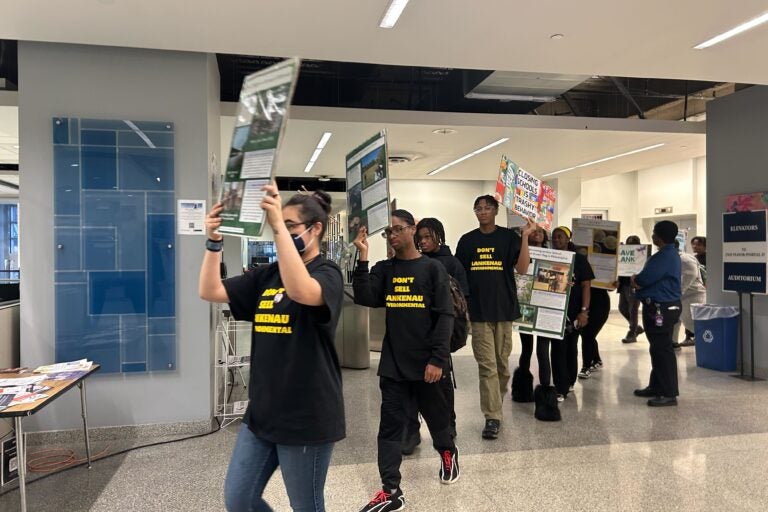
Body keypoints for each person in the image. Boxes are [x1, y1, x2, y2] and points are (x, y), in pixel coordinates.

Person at [199, 184, 345, 512]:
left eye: (292, 225)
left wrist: (277, 224)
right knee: (239, 499)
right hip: (263, 412)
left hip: (307, 415)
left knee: (305, 505)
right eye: (283, 225)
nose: (284, 230)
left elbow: (301, 291)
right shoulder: (266, 276)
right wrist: (214, 242)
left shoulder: (327, 273)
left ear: (316, 229)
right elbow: (209, 290)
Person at [353, 210, 459, 512]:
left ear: (413, 230)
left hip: (429, 366)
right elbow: (366, 297)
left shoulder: (432, 269)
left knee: (438, 420)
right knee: (389, 429)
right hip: (394, 366)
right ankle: (390, 490)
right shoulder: (385, 269)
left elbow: (445, 316)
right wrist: (362, 259)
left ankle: (448, 452)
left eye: (398, 229)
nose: (393, 235)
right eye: (388, 232)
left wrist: (438, 360)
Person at [455, 195, 535, 440]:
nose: (482, 212)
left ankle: (495, 407)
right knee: (487, 366)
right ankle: (492, 417)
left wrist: (525, 237)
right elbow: (460, 278)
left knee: (501, 366)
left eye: (487, 208)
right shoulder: (467, 241)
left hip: (504, 310)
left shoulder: (508, 238)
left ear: (496, 211)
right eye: (478, 208)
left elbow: (521, 269)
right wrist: (464, 308)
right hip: (479, 313)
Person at [399, 217, 469, 455]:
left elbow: (460, 302)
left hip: (441, 332)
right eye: (420, 238)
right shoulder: (414, 261)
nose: (424, 242)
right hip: (414, 332)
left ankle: (448, 425)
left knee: (442, 384)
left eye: (428, 237)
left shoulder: (452, 264)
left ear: (439, 235)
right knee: (409, 385)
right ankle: (411, 430)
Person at [631, 220, 683, 407]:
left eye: (654, 233)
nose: (652, 236)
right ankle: (656, 385)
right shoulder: (667, 254)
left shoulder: (665, 256)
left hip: (662, 307)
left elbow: (646, 278)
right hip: (658, 306)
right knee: (657, 348)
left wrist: (637, 280)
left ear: (658, 236)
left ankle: (669, 393)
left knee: (662, 349)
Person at [549, 226, 593, 401]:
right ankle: (560, 387)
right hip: (554, 311)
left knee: (571, 348)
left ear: (568, 239)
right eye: (554, 237)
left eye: (560, 237)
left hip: (574, 313)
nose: (557, 240)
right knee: (557, 349)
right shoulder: (549, 258)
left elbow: (586, 286)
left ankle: (569, 382)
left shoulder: (580, 260)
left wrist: (584, 311)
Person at [512, 226, 548, 405]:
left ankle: (546, 391)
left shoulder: (553, 255)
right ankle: (522, 390)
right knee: (526, 348)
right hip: (526, 304)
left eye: (540, 231)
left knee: (543, 350)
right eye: (534, 231)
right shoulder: (520, 253)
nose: (537, 233)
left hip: (545, 307)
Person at [673, 240, 707, 348]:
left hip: (693, 297)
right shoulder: (674, 259)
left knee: (697, 326)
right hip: (682, 297)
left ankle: (707, 348)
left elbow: (690, 276)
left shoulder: (685, 259)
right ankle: (673, 342)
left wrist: (676, 293)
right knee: (675, 320)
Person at [618, 235, 645, 344]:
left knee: (632, 310)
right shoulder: (623, 253)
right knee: (622, 308)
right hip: (624, 284)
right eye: (628, 244)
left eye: (633, 244)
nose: (630, 246)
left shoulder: (641, 255)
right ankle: (636, 327)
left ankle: (632, 333)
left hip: (634, 285)